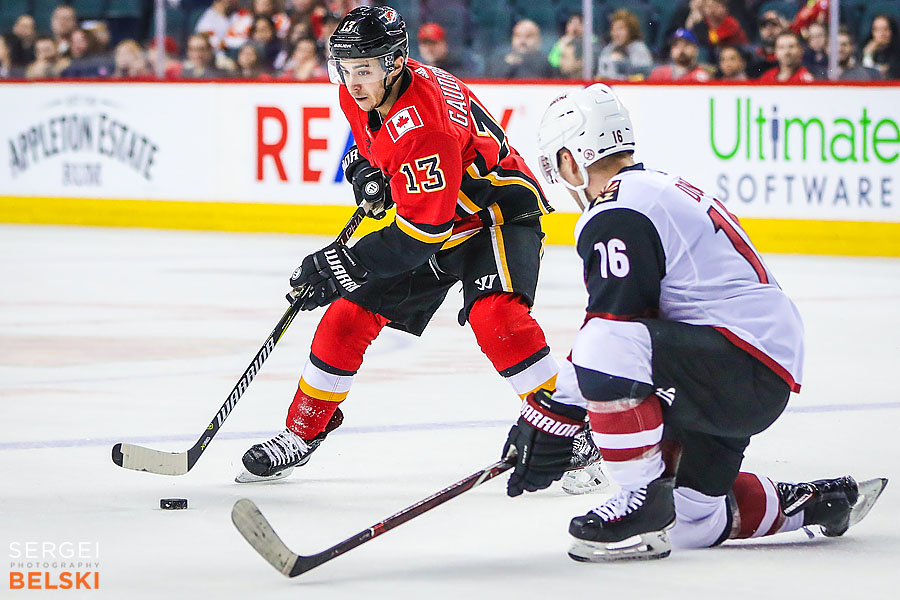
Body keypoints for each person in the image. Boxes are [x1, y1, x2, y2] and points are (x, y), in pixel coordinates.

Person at [501, 82, 889, 562]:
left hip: (736, 362)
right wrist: (555, 414)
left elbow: (613, 331)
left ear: (569, 157)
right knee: (691, 524)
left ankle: (638, 498)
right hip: (748, 371)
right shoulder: (651, 189)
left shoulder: (618, 211)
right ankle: (813, 503)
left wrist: (551, 415)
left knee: (605, 341)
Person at [237, 5, 585, 488]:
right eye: (347, 69)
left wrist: (340, 262)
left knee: (497, 318)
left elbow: (421, 235)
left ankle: (572, 434)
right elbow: (372, 145)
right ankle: (304, 429)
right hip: (434, 213)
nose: (354, 83)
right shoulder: (362, 91)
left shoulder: (426, 126)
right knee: (347, 315)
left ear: (395, 62)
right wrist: (365, 171)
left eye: (365, 70)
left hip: (493, 216)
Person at [596, 9, 653, 80]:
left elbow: (645, 72)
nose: (616, 33)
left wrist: (621, 62)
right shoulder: (609, 49)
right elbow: (601, 73)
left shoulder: (638, 48)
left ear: (631, 30)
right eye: (613, 29)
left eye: (620, 29)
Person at [486, 19, 554, 79]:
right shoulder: (497, 62)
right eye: (518, 36)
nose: (522, 41)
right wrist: (508, 66)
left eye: (529, 36)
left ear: (538, 40)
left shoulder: (547, 64)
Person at [862, 14, 900, 80]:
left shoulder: (897, 53)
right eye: (877, 30)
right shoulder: (863, 49)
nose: (882, 34)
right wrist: (868, 54)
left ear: (892, 31)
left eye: (885, 29)